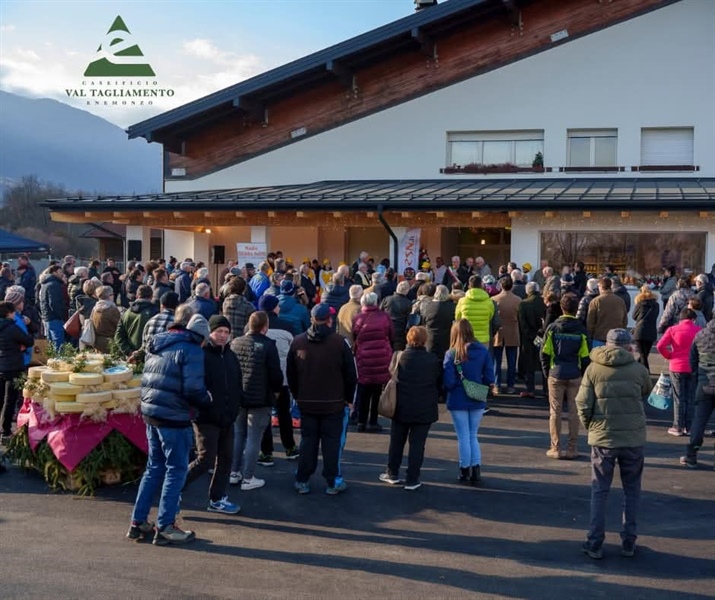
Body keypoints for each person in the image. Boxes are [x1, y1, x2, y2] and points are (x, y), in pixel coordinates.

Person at [127, 313, 212, 546]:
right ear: (201, 337)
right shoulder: (192, 350)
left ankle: (137, 521)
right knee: (176, 470)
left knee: (154, 468)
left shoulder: (159, 343)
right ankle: (165, 526)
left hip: (151, 413)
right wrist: (207, 399)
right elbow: (193, 388)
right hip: (174, 417)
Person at [576, 328, 652, 559]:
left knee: (599, 490)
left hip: (603, 437)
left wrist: (591, 427)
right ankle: (629, 541)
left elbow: (582, 403)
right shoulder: (638, 369)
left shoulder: (593, 369)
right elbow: (646, 390)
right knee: (632, 490)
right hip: (632, 437)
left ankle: (595, 542)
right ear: (629, 346)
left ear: (606, 344)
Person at [287, 303, 357, 495]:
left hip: (307, 402)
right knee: (331, 444)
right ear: (329, 320)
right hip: (334, 403)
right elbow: (351, 375)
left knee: (307, 442)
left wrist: (298, 395)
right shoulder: (340, 343)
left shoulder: (298, 342)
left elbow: (291, 374)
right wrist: (349, 399)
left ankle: (302, 479)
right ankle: (332, 481)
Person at [183, 315, 242, 515]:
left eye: (226, 332)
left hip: (228, 417)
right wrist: (203, 408)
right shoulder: (201, 356)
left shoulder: (231, 356)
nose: (223, 335)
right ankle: (174, 488)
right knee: (205, 460)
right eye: (219, 331)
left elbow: (237, 383)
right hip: (206, 418)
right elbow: (194, 387)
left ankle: (217, 498)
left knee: (226, 459)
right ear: (210, 333)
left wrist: (235, 407)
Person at [379, 326, 439, 490]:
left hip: (401, 405)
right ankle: (412, 479)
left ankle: (392, 473)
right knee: (417, 445)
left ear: (408, 339)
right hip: (424, 408)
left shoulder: (399, 356)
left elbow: (390, 374)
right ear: (425, 340)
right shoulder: (432, 359)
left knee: (396, 441)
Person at [229, 311, 283, 491]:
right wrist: (276, 392)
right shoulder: (268, 345)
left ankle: (234, 472)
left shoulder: (236, 342)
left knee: (238, 435)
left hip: (239, 397)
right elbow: (276, 374)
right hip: (260, 398)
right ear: (265, 327)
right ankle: (248, 477)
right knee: (254, 438)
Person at [443, 319, 494, 485]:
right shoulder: (483, 351)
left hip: (458, 398)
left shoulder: (452, 354)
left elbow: (449, 382)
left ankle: (464, 470)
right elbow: (489, 377)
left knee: (463, 436)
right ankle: (476, 470)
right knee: (473, 435)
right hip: (477, 397)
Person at [540, 294, 590, 460]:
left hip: (556, 373)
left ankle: (555, 448)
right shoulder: (581, 330)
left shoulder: (553, 328)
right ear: (576, 309)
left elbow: (544, 353)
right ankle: (572, 448)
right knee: (574, 412)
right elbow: (585, 356)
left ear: (562, 308)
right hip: (575, 374)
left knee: (555, 412)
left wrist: (547, 373)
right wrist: (583, 374)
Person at [255, 294, 300, 466]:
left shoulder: (252, 326)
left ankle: (266, 452)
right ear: (274, 308)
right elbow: (294, 351)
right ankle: (290, 447)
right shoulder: (287, 327)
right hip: (282, 378)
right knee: (284, 413)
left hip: (261, 379)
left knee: (264, 416)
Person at [352, 292, 393, 433]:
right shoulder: (384, 317)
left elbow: (355, 336)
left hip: (363, 356)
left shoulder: (358, 318)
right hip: (381, 355)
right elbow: (391, 334)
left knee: (363, 390)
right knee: (376, 391)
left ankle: (361, 421)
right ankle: (373, 421)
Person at [656, 308, 701, 436]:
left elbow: (660, 346)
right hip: (693, 366)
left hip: (677, 366)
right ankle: (689, 427)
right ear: (693, 319)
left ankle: (678, 426)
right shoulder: (698, 330)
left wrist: (669, 355)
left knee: (678, 397)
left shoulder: (672, 329)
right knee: (691, 397)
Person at [680, 316, 715, 468]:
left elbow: (692, 360)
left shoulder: (701, 335)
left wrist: (698, 376)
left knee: (699, 421)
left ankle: (691, 454)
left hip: (704, 382)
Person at [0, 301, 34, 441]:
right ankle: (5, 431)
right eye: (13, 312)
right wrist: (20, 344)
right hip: (13, 366)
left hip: (2, 365)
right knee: (10, 400)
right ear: (9, 313)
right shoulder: (12, 328)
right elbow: (29, 341)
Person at [492, 277, 521, 395]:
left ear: (500, 286)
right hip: (513, 331)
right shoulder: (518, 300)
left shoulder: (494, 299)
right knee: (512, 361)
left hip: (498, 332)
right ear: (512, 286)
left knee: (496, 361)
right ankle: (511, 386)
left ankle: (497, 385)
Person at [518, 282, 546, 398]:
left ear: (527, 291)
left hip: (529, 338)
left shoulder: (523, 304)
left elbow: (522, 324)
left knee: (529, 364)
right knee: (544, 363)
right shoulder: (544, 302)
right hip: (543, 336)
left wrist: (532, 336)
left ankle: (530, 389)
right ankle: (546, 389)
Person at [115, 285, 160, 356]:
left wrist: (129, 352)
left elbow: (118, 336)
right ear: (151, 296)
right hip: (148, 356)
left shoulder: (126, 313)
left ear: (137, 296)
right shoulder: (155, 313)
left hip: (131, 357)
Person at [455, 275, 496, 346]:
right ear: (481, 286)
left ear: (469, 286)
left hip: (466, 338)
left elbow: (457, 318)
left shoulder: (462, 301)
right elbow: (490, 317)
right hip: (483, 338)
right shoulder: (489, 301)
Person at [587, 277, 627, 347]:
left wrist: (590, 335)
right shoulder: (620, 301)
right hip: (615, 338)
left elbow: (590, 322)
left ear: (601, 286)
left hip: (599, 337)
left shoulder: (596, 301)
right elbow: (624, 320)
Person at [38, 265, 67, 350]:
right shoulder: (54, 284)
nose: (62, 274)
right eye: (60, 272)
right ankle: (59, 357)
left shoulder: (45, 284)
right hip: (55, 317)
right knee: (58, 342)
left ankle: (52, 357)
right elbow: (54, 303)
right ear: (54, 272)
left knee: (50, 342)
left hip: (47, 317)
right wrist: (60, 315)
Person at [631, 285, 659, 372]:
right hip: (651, 331)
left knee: (643, 354)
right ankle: (638, 368)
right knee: (645, 354)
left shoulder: (640, 304)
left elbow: (633, 316)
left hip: (640, 331)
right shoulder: (656, 305)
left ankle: (646, 371)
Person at [380, 281, 412, 351]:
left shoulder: (386, 299)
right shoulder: (408, 303)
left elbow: (379, 313)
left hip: (386, 330)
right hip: (400, 333)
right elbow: (409, 320)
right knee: (397, 354)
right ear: (407, 291)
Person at [90, 285, 121, 353]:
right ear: (109, 296)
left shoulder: (95, 309)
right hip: (110, 342)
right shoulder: (112, 309)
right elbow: (119, 326)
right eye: (112, 294)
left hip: (97, 342)